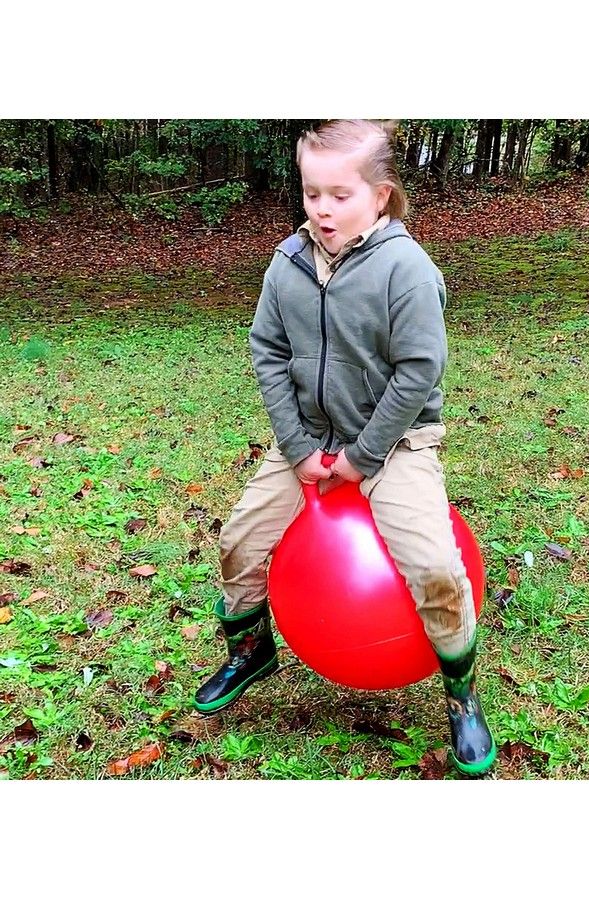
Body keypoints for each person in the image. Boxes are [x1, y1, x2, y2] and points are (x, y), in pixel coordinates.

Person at [193, 119, 496, 776]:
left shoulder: (407, 271)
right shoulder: (288, 264)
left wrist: (362, 459)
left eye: (339, 194)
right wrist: (298, 448)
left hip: (395, 444)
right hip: (308, 441)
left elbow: (419, 372)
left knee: (435, 567)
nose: (322, 210)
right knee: (240, 540)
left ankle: (461, 695)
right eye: (311, 194)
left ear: (380, 195)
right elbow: (267, 350)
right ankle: (251, 652)